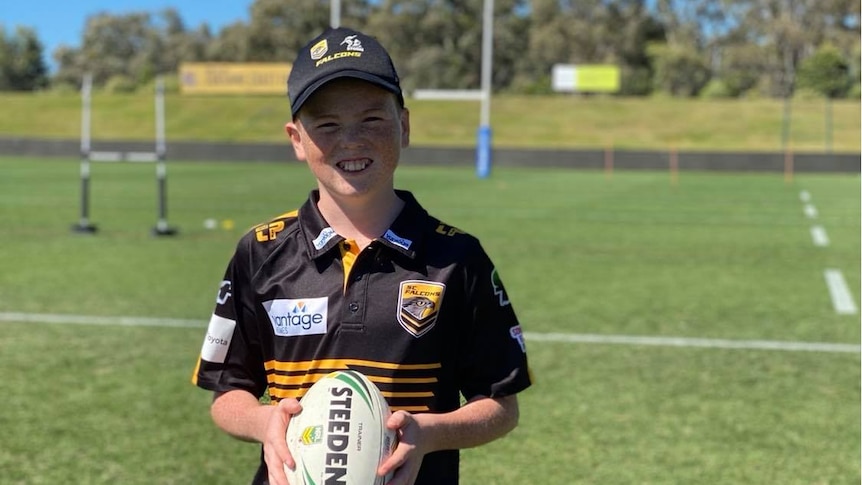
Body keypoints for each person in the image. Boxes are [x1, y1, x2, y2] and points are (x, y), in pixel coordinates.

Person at [191, 26, 531, 485]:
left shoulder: (457, 258)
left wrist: (429, 433)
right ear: (296, 139)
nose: (351, 141)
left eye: (372, 119)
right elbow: (229, 393)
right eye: (327, 125)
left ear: (404, 126)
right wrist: (264, 422)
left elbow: (501, 405)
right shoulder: (260, 251)